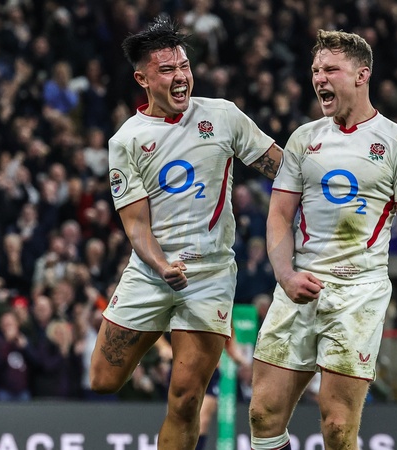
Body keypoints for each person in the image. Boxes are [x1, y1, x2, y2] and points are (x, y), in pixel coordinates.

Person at [248, 30, 397, 450]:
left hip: (359, 292)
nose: (319, 78)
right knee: (262, 414)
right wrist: (285, 275)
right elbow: (279, 214)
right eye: (315, 70)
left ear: (362, 75)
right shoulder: (303, 139)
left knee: (338, 427)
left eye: (331, 69)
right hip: (301, 284)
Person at [88, 17, 282, 449]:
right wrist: (161, 266)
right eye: (167, 70)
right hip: (151, 272)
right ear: (142, 79)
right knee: (102, 379)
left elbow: (280, 167)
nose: (180, 77)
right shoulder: (127, 140)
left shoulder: (222, 116)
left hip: (210, 277)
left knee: (187, 399)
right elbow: (136, 224)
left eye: (184, 66)